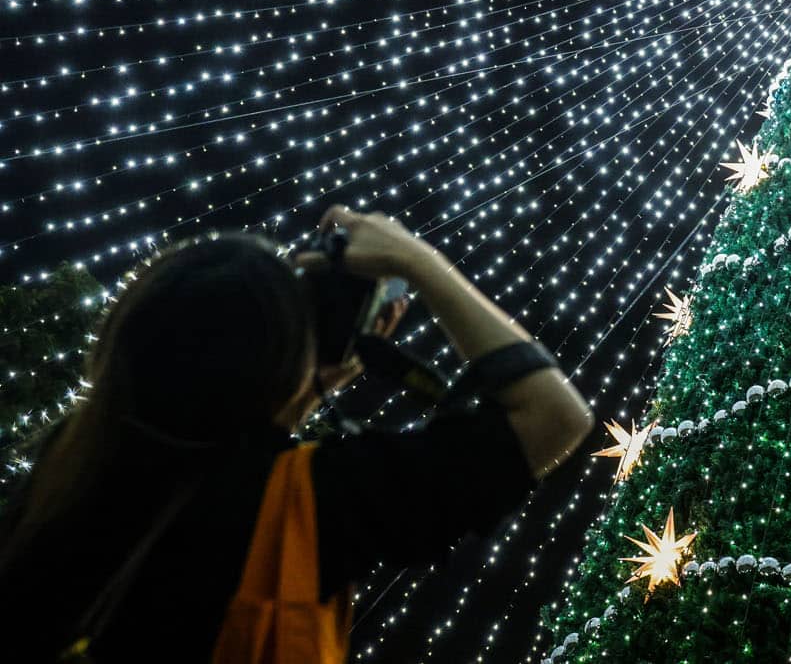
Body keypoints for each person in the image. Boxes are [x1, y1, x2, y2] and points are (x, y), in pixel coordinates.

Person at [0, 206, 594, 662]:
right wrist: (416, 260)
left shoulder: (60, 476)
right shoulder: (303, 501)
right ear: (281, 358)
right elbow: (553, 416)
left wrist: (307, 379)